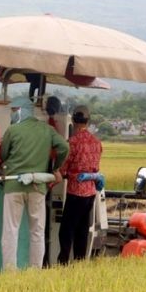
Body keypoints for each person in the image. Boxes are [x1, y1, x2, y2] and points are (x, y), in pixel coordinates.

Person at [0, 96, 69, 270]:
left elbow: (2, 155)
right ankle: (35, 270)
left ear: (22, 110)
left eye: (14, 111)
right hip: (38, 186)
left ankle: (10, 271)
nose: (13, 114)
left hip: (13, 185)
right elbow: (64, 147)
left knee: (11, 229)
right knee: (37, 230)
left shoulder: (12, 130)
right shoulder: (47, 130)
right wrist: (56, 168)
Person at [57, 105, 103, 264]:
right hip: (90, 192)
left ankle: (63, 263)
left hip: (75, 193)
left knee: (66, 231)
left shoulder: (72, 142)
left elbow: (63, 169)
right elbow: (96, 168)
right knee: (82, 230)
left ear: (74, 121)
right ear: (88, 121)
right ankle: (79, 262)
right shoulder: (97, 142)